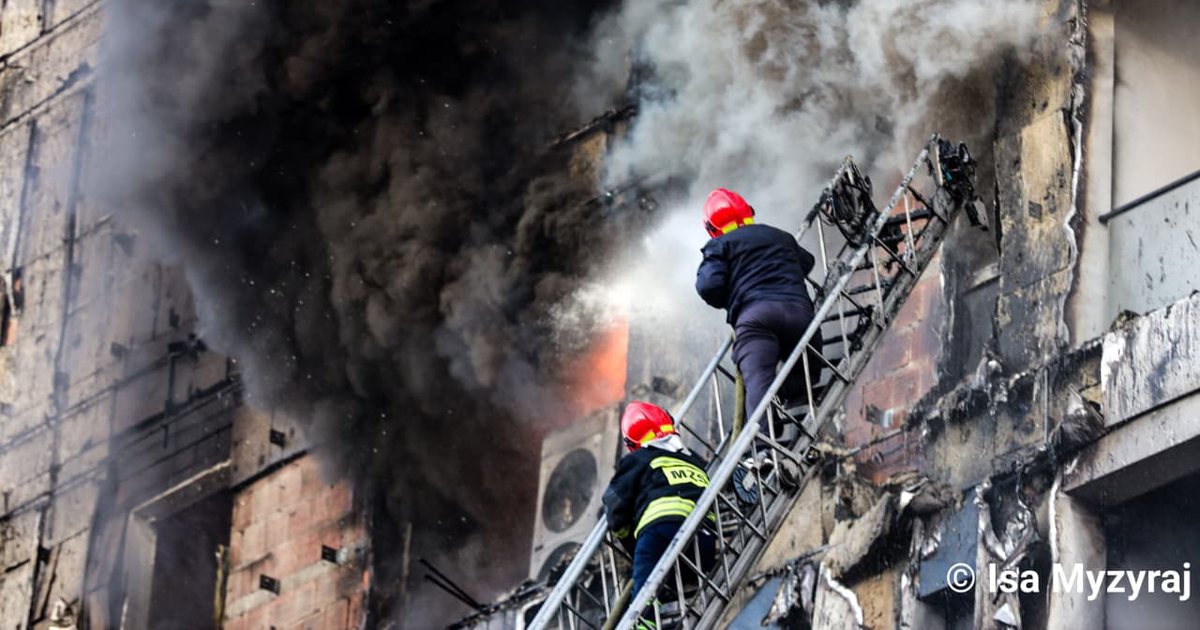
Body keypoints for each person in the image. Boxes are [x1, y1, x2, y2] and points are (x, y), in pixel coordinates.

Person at [694, 188, 822, 432]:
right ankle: (795, 391)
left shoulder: (719, 245)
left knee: (758, 380)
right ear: (748, 213)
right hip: (799, 314)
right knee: (805, 367)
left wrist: (731, 298)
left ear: (712, 229)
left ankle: (766, 444)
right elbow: (807, 262)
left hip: (756, 319)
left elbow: (708, 285)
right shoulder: (780, 236)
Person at [602, 401, 717, 602]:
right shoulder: (693, 459)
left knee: (645, 581)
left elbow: (614, 502)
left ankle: (644, 619)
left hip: (660, 530)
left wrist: (630, 541)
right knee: (683, 570)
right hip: (703, 536)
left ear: (632, 444)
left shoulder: (639, 459)